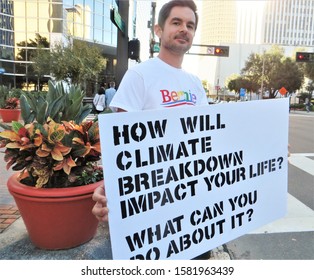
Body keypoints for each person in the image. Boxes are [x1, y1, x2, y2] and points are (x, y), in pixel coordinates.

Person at [92, 0, 210, 259]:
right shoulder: (140, 76)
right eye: (176, 22)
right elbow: (123, 143)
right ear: (159, 29)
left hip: (193, 205)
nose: (184, 29)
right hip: (153, 204)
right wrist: (109, 186)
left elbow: (209, 138)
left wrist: (264, 148)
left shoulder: (195, 84)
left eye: (190, 25)